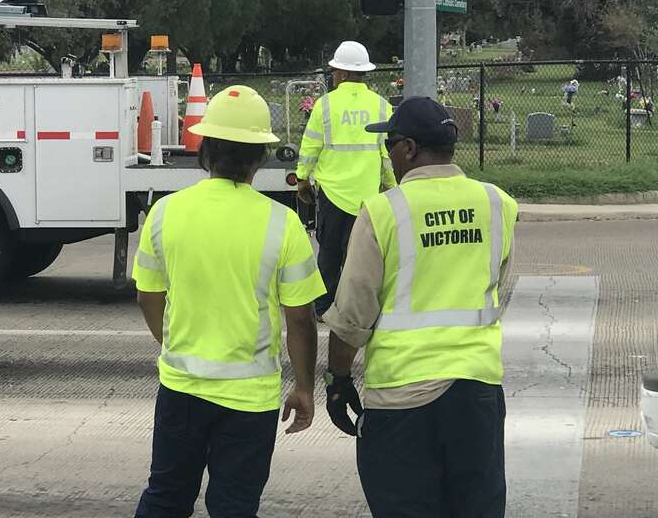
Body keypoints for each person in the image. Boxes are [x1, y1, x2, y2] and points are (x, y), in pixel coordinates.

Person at [132, 85, 325, 518]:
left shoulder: (166, 212)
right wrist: (305, 388)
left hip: (181, 388)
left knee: (165, 496)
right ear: (258, 157)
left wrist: (172, 343)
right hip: (250, 400)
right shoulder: (283, 224)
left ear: (205, 150)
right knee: (234, 506)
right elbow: (301, 319)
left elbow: (148, 295)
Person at [322, 97, 518, 518]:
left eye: (389, 143)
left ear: (408, 149)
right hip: (477, 393)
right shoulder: (498, 204)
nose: (387, 154)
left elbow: (354, 312)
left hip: (403, 401)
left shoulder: (384, 211)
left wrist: (337, 379)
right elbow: (493, 282)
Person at [296, 41, 396, 318]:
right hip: (368, 196)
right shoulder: (381, 106)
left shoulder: (325, 105)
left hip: (332, 194)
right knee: (363, 256)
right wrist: (392, 186)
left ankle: (324, 307)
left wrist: (302, 180)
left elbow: (310, 147)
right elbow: (387, 153)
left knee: (329, 253)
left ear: (339, 73)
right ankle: (360, 309)